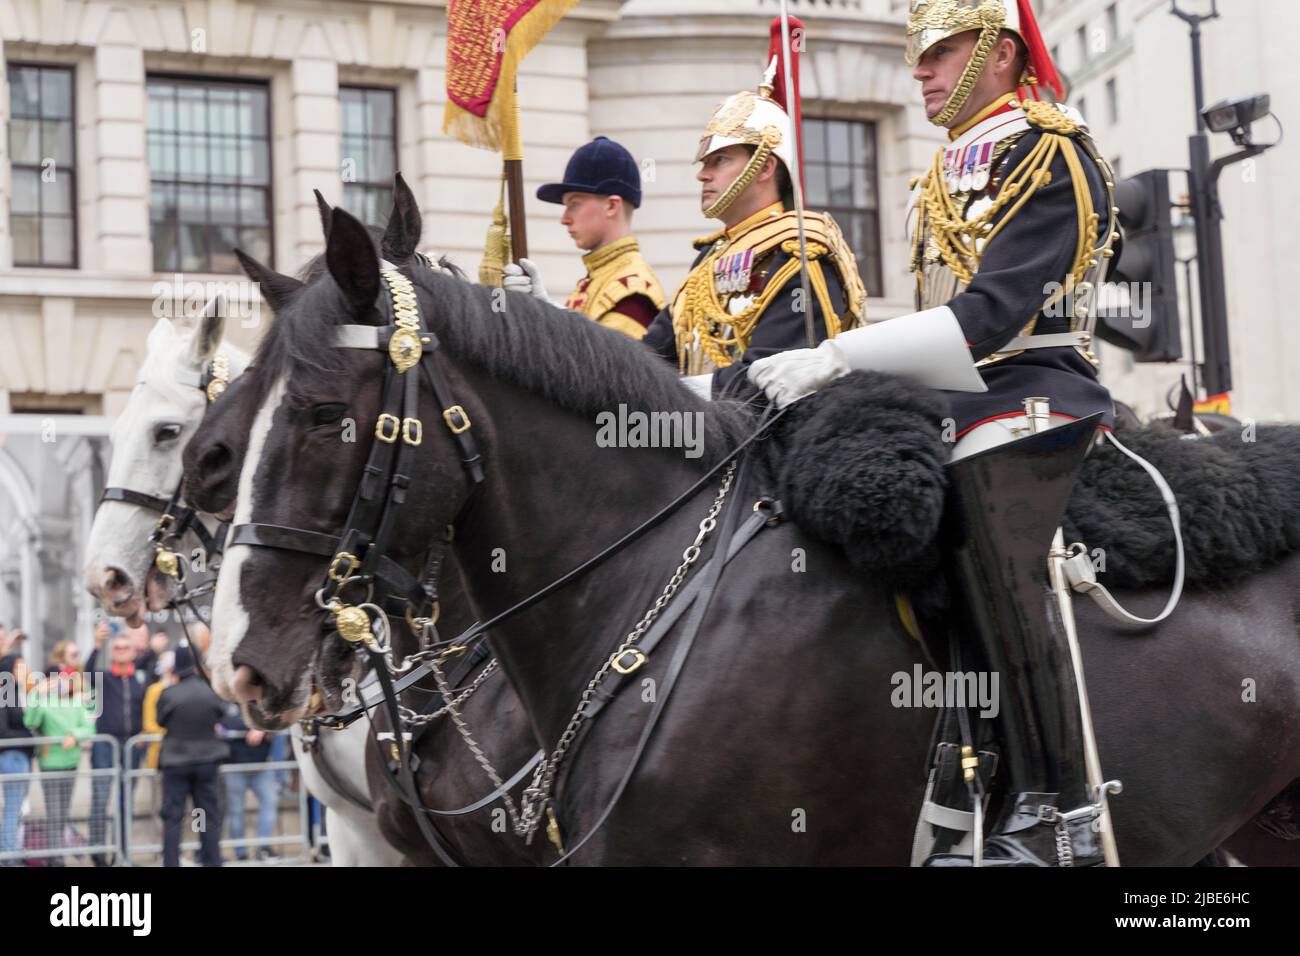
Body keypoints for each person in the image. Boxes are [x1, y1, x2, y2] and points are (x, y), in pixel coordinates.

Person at [748, 0, 1120, 867]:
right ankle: (943, 764)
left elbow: (993, 312)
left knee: (984, 524)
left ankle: (1052, 803)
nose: (921, 69)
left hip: (1039, 387)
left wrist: (840, 352)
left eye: (942, 52)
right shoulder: (949, 165)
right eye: (920, 55)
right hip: (955, 390)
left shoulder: (1047, 147)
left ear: (1001, 53)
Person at [509, 19, 866, 401]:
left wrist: (671, 399)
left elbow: (770, 383)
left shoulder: (799, 253)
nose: (702, 175)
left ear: (764, 166)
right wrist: (549, 318)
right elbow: (640, 358)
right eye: (704, 163)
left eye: (719, 161)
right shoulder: (710, 261)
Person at [511, 137, 667, 340]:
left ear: (612, 206)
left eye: (574, 204)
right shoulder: (600, 278)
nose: (564, 219)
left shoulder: (631, 290)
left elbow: (605, 368)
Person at [22, 641, 94, 865]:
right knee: (54, 812)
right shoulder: (44, 702)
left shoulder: (75, 701)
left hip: (70, 762)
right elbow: (30, 720)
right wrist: (36, 693)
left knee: (63, 811)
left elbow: (88, 727)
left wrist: (74, 734)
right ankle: (55, 858)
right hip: (50, 762)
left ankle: (58, 854)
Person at [156, 646, 227, 867]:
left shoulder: (168, 693)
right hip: (206, 762)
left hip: (176, 763)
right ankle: (209, 860)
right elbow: (220, 714)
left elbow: (160, 721)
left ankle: (171, 862)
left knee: (174, 817)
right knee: (204, 815)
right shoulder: (210, 691)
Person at [85, 630, 147, 866]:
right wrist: (97, 646)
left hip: (132, 746)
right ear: (112, 652)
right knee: (100, 799)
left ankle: (121, 853)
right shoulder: (103, 677)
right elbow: (87, 673)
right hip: (105, 745)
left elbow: (148, 708)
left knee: (126, 802)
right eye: (117, 647)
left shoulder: (139, 679)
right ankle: (98, 853)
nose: (121, 651)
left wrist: (144, 732)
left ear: (132, 653)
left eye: (125, 647)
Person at [219, 701, 279, 861]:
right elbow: (224, 725)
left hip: (262, 763)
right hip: (234, 765)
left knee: (270, 802)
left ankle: (263, 848)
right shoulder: (225, 702)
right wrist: (253, 727)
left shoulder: (260, 701)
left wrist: (262, 728)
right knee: (236, 811)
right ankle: (241, 853)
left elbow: (275, 719)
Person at [0, 653, 34, 866]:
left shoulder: (17, 693)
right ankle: (8, 856)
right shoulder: (5, 694)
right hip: (11, 757)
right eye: (20, 667)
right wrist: (29, 737)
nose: (25, 671)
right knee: (12, 808)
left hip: (20, 756)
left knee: (15, 808)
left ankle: (10, 851)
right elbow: (2, 731)